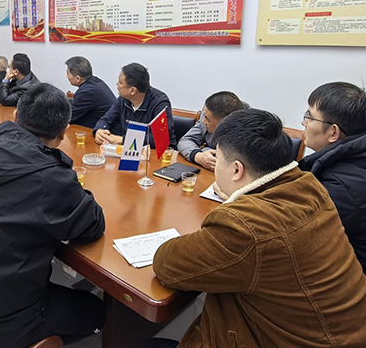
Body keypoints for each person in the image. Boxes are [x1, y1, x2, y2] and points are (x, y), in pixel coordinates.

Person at [147, 109, 366, 348]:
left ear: (236, 170)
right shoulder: (310, 187)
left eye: (219, 160)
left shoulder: (245, 226)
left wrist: (233, 203)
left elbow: (166, 264)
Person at [0, 83, 106, 348]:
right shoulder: (50, 178)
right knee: (97, 311)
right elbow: (93, 225)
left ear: (16, 116)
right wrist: (73, 187)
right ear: (63, 131)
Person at [299, 82, 366, 273]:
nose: (304, 123)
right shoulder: (353, 161)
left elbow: (295, 232)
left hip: (349, 281)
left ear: (333, 132)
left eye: (309, 117)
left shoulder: (339, 188)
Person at [93, 63, 175, 148]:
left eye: (120, 82)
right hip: (129, 151)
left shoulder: (160, 103)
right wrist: (99, 130)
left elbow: (159, 138)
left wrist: (122, 140)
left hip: (160, 153)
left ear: (132, 90)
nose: (117, 84)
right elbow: (106, 119)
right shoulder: (123, 99)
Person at [177, 92, 245, 171]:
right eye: (204, 114)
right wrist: (197, 155)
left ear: (224, 123)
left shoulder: (249, 130)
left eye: (207, 118)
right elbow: (185, 140)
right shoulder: (208, 114)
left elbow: (235, 163)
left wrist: (205, 150)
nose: (203, 121)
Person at [65, 56, 115, 128]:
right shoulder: (94, 82)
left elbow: (70, 118)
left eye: (68, 74)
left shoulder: (87, 91)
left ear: (78, 78)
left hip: (104, 130)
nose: (67, 76)